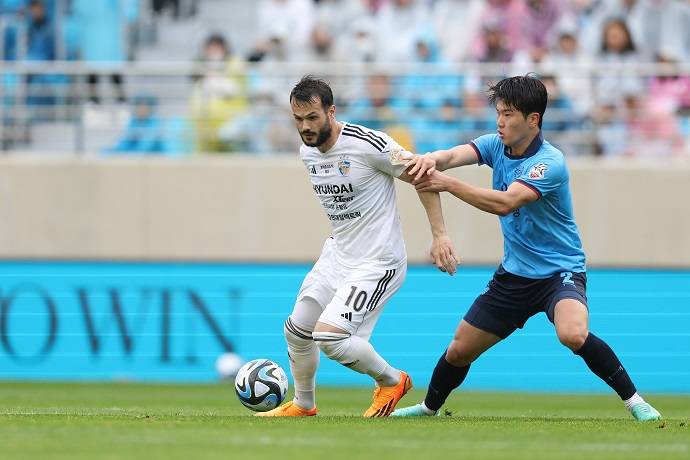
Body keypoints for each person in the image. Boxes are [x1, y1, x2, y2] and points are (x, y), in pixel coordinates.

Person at [391, 75, 662, 422]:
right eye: (499, 114)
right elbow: (451, 155)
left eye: (508, 115)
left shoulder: (550, 163)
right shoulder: (494, 146)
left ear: (533, 120)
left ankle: (636, 402)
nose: (500, 122)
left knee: (573, 333)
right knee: (458, 351)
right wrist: (433, 159)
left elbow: (506, 203)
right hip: (514, 277)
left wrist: (446, 182)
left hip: (559, 273)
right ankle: (428, 409)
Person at [256, 76, 458, 418]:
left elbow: (422, 174)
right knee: (296, 329)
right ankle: (304, 404)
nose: (305, 127)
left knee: (329, 337)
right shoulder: (307, 151)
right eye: (298, 119)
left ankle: (392, 380)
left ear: (331, 111)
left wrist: (439, 235)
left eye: (312, 118)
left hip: (378, 260)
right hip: (338, 255)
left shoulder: (368, 144)